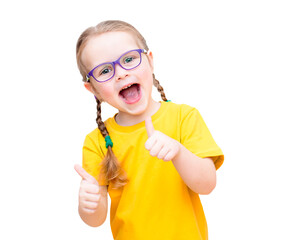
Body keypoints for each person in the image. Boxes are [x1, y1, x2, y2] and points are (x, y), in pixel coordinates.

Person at [74, 20, 224, 240]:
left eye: (129, 59)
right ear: (92, 89)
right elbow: (96, 220)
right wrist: (88, 204)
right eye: (105, 70)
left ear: (150, 61)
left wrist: (178, 152)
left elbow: (207, 184)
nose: (121, 73)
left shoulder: (183, 117)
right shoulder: (96, 141)